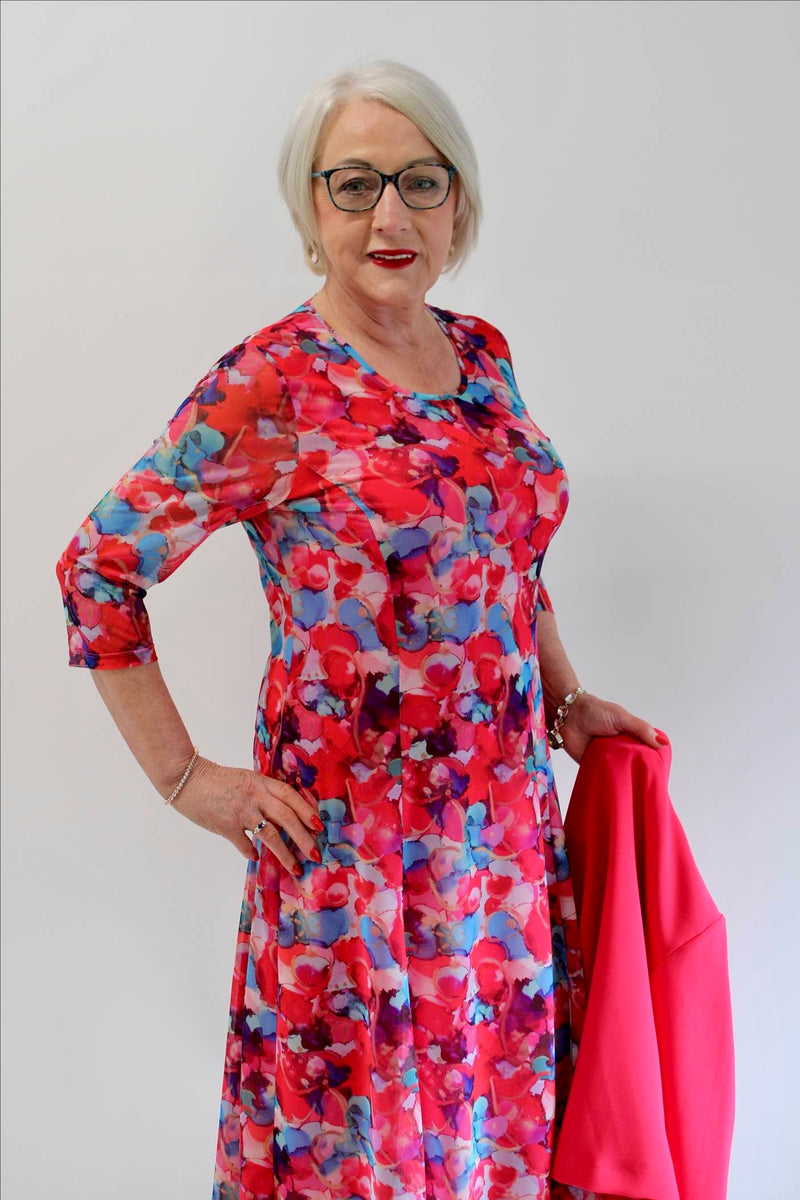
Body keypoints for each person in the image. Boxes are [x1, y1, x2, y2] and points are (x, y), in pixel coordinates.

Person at [56, 59, 664, 1200]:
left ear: (458, 203)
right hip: (355, 862)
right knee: (363, 1154)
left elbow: (507, 557)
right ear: (311, 205)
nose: (390, 215)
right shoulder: (269, 384)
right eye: (355, 183)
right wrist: (186, 779)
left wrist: (567, 699)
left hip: (501, 846)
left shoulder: (483, 355)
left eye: (420, 182)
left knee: (495, 1136)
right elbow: (98, 568)